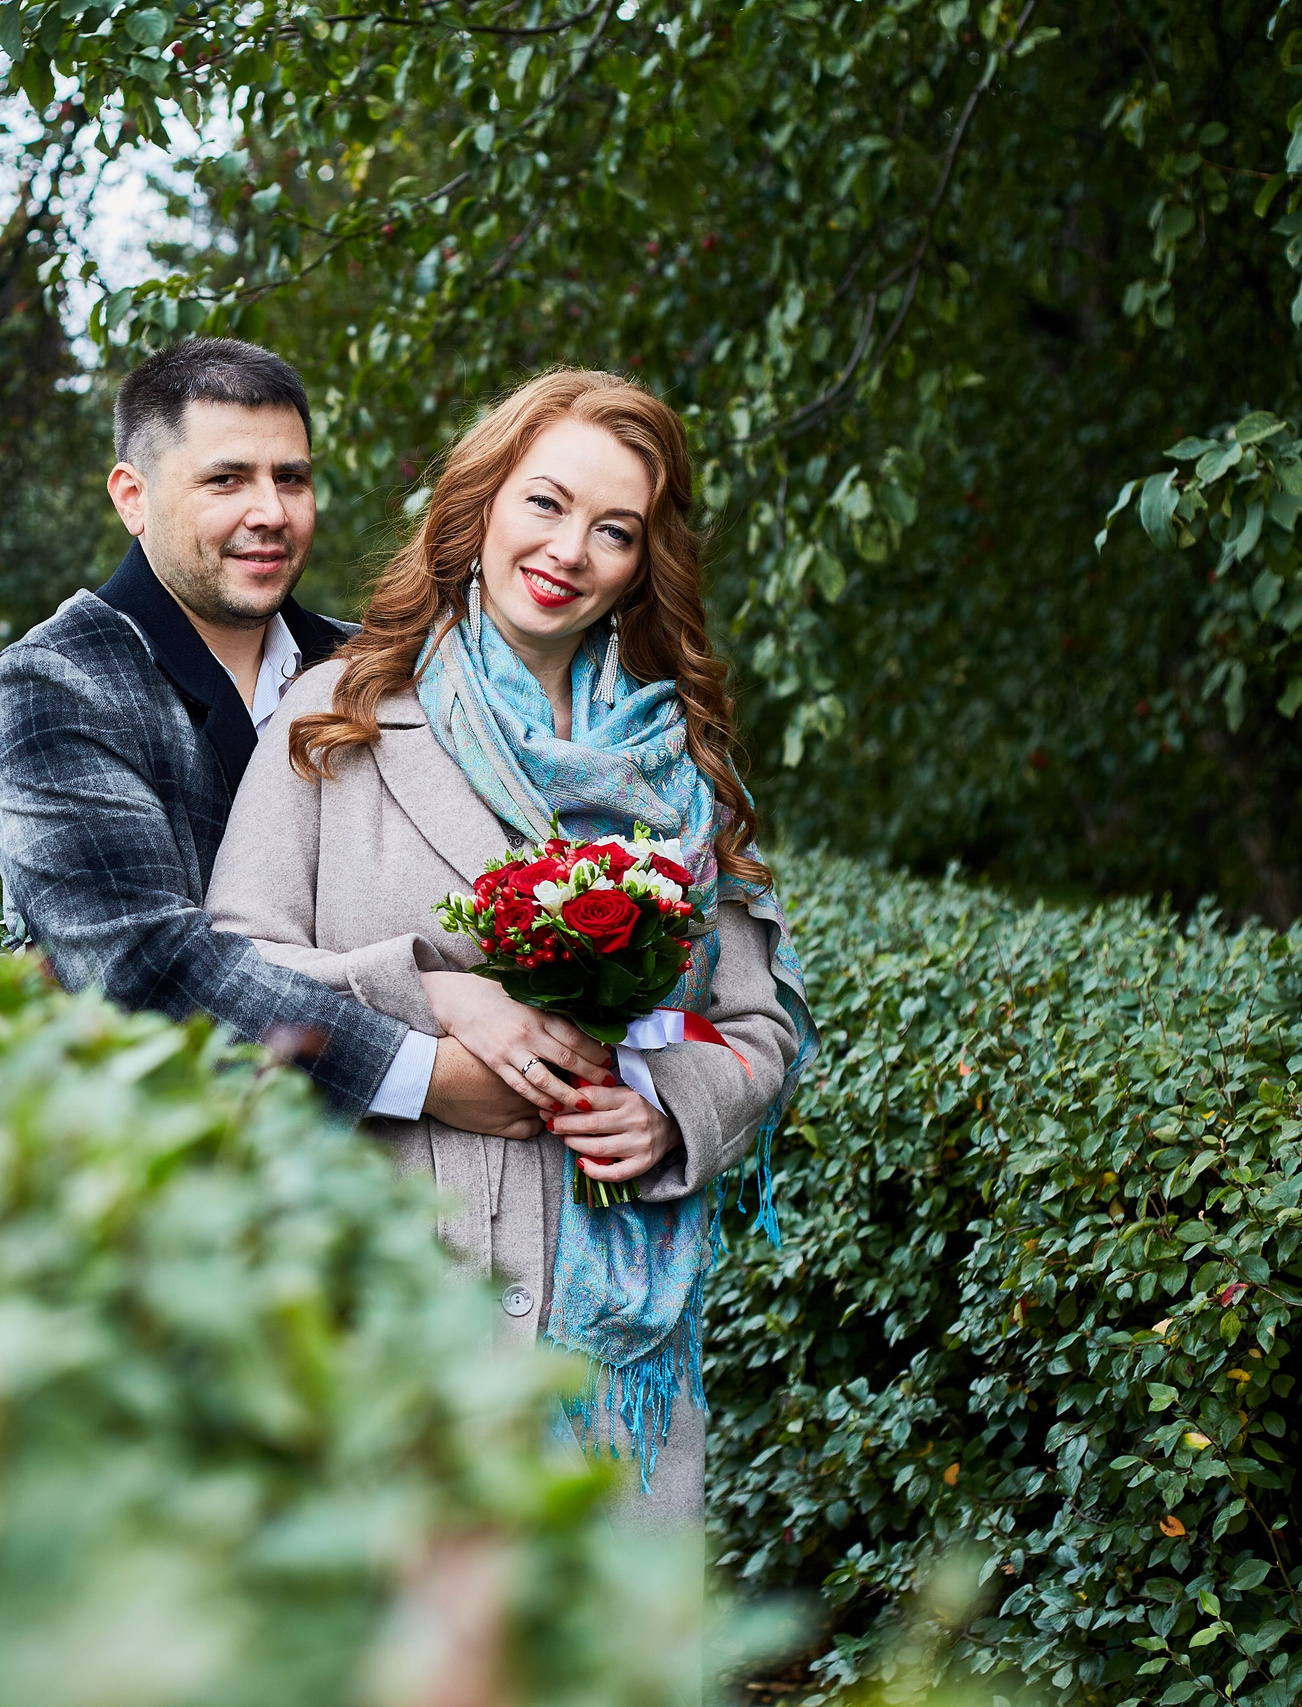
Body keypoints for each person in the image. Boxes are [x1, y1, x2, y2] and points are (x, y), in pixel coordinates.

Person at [203, 369, 816, 1529]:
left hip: (618, 1360)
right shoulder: (336, 715)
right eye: (545, 503)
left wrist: (669, 1113)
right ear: (481, 502)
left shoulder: (683, 763)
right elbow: (231, 980)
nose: (569, 551)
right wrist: (435, 998)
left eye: (614, 530)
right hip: (390, 1314)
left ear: (642, 564)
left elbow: (755, 1024)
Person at [0, 339, 616, 1133]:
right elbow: (142, 971)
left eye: (291, 478)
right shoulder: (60, 679)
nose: (271, 513)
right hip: (156, 1159)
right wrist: (427, 1068)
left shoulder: (371, 667)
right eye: (226, 480)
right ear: (133, 497)